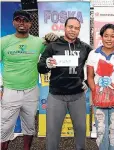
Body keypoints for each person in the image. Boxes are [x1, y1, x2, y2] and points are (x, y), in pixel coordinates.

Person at [0, 10, 57, 150]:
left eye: (25, 20)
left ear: (30, 24)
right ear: (13, 22)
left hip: (31, 90)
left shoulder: (38, 42)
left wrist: (55, 38)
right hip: (10, 90)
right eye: (18, 20)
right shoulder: (4, 41)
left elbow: (57, 47)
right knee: (5, 126)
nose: (22, 23)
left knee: (30, 125)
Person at [37, 17, 92, 150]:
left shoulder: (84, 47)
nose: (73, 30)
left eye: (76, 28)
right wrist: (47, 64)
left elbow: (97, 63)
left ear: (79, 30)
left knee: (80, 131)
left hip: (77, 95)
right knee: (52, 132)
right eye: (70, 27)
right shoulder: (53, 45)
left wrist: (88, 82)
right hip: (56, 96)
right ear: (65, 27)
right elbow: (40, 67)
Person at [87, 24, 114, 150]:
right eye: (106, 36)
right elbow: (90, 76)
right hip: (98, 99)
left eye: (112, 36)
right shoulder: (93, 54)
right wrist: (95, 92)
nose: (109, 39)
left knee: (113, 129)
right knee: (101, 129)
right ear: (101, 37)